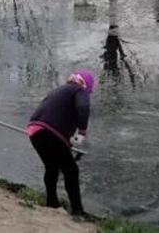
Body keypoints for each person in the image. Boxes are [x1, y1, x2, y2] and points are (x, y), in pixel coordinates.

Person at [27, 69, 95, 217]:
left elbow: (56, 114)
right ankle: (77, 210)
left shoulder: (61, 89)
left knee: (52, 167)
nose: (87, 95)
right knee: (71, 170)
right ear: (86, 85)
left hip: (34, 130)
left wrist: (67, 142)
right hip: (49, 131)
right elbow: (83, 107)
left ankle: (52, 203)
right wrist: (82, 132)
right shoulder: (80, 90)